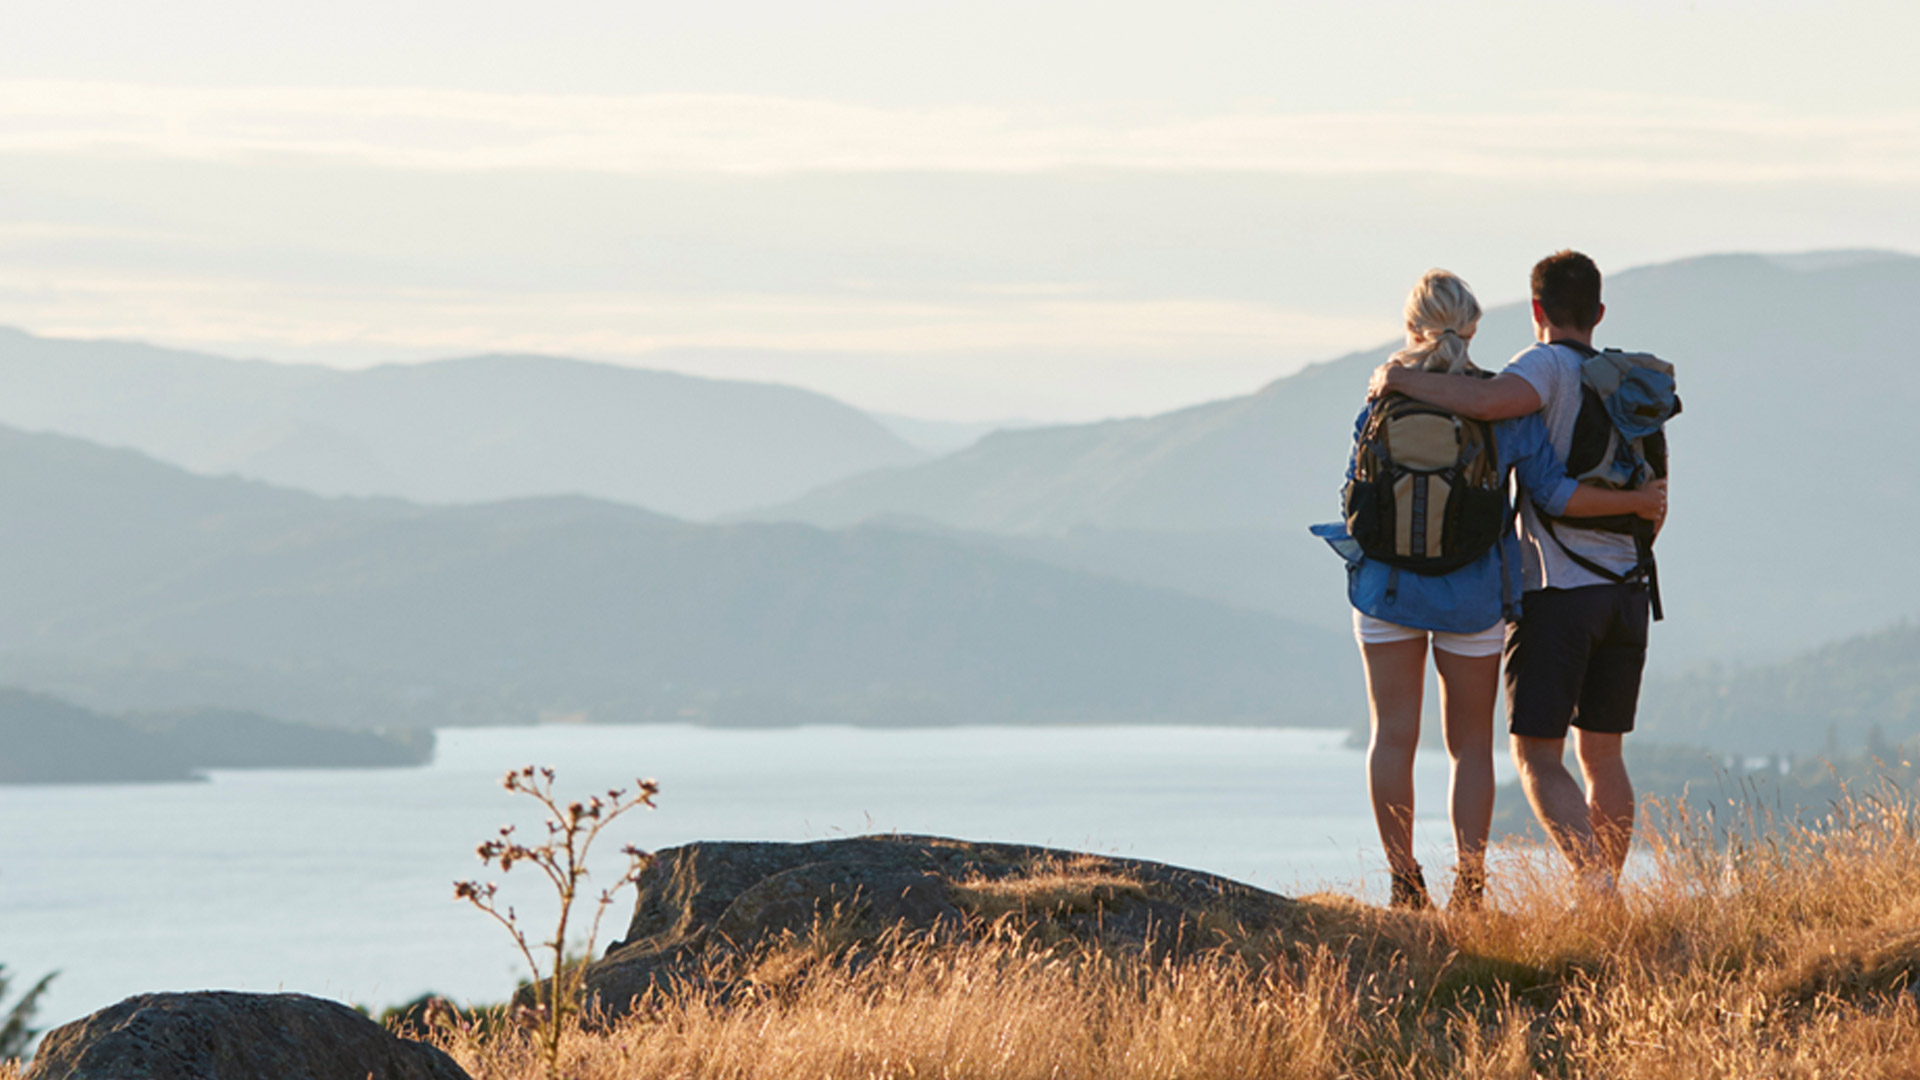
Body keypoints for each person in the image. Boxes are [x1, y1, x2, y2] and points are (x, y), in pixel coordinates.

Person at [1322, 268, 1662, 911]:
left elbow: (1352, 496)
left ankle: (1403, 882)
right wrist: (1641, 502)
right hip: (1473, 592)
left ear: (1410, 326)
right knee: (1469, 747)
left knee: (1391, 736)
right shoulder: (1502, 404)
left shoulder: (1382, 399)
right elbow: (1553, 492)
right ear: (1473, 328)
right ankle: (1470, 888)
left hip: (1386, 589)